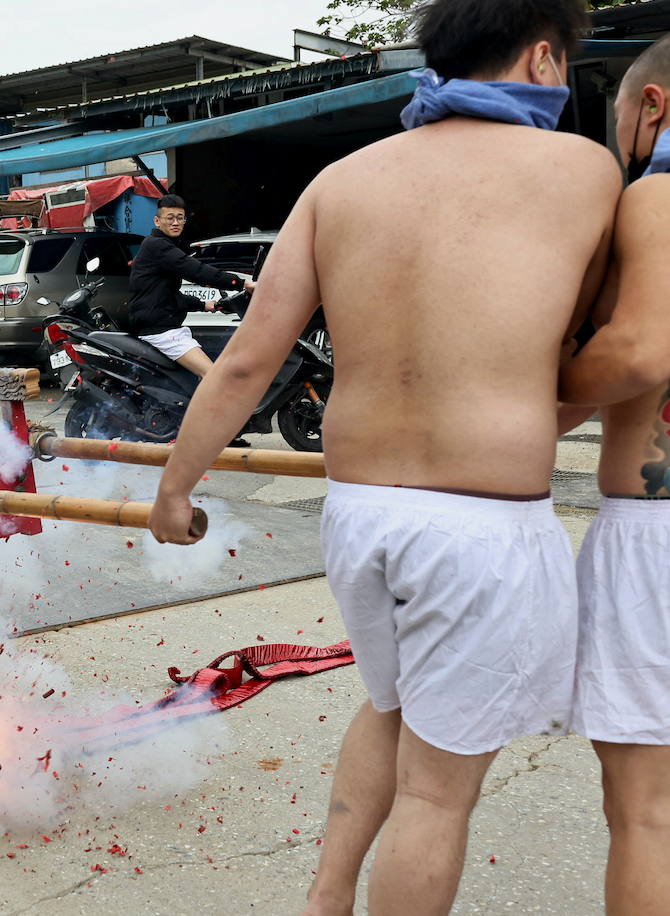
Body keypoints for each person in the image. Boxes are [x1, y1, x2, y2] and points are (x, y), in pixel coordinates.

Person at [147, 2, 620, 913]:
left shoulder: (342, 179)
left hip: (361, 512)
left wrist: (177, 485)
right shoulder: (581, 169)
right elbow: (604, 341)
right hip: (479, 525)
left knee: (391, 708)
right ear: (543, 56)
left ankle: (327, 899)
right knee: (437, 794)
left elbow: (247, 357)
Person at [558, 35, 670, 915]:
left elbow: (636, 351)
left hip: (657, 533)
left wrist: (524, 416)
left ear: (654, 106)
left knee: (647, 815)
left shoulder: (655, 196)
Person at [126, 193, 250, 378]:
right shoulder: (157, 246)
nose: (175, 222)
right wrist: (242, 283)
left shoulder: (162, 245)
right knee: (214, 378)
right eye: (170, 218)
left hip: (167, 328)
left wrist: (204, 305)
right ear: (157, 221)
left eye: (180, 218)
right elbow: (197, 271)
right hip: (162, 333)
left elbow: (167, 293)